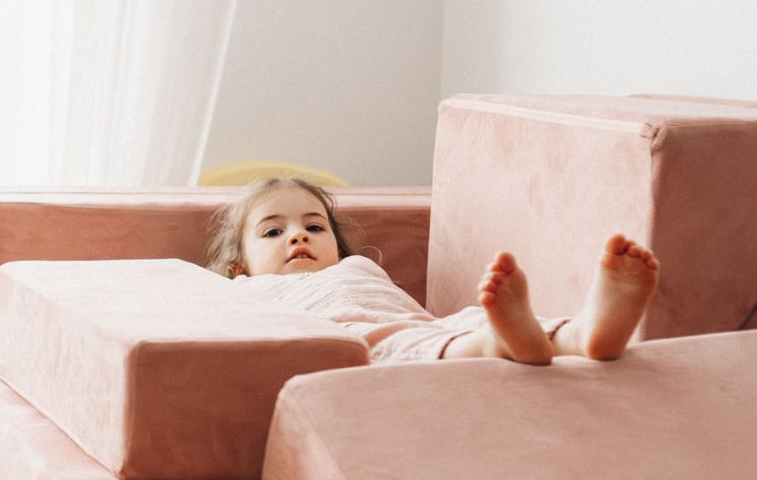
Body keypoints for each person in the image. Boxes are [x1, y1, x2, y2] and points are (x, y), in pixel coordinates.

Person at [205, 177, 660, 365]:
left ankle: (581, 334)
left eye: (314, 226)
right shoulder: (245, 289)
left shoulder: (356, 266)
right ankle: (499, 343)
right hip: (350, 341)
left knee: (467, 318)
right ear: (239, 266)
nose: (298, 237)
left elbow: (409, 314)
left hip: (422, 324)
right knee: (410, 346)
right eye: (273, 232)